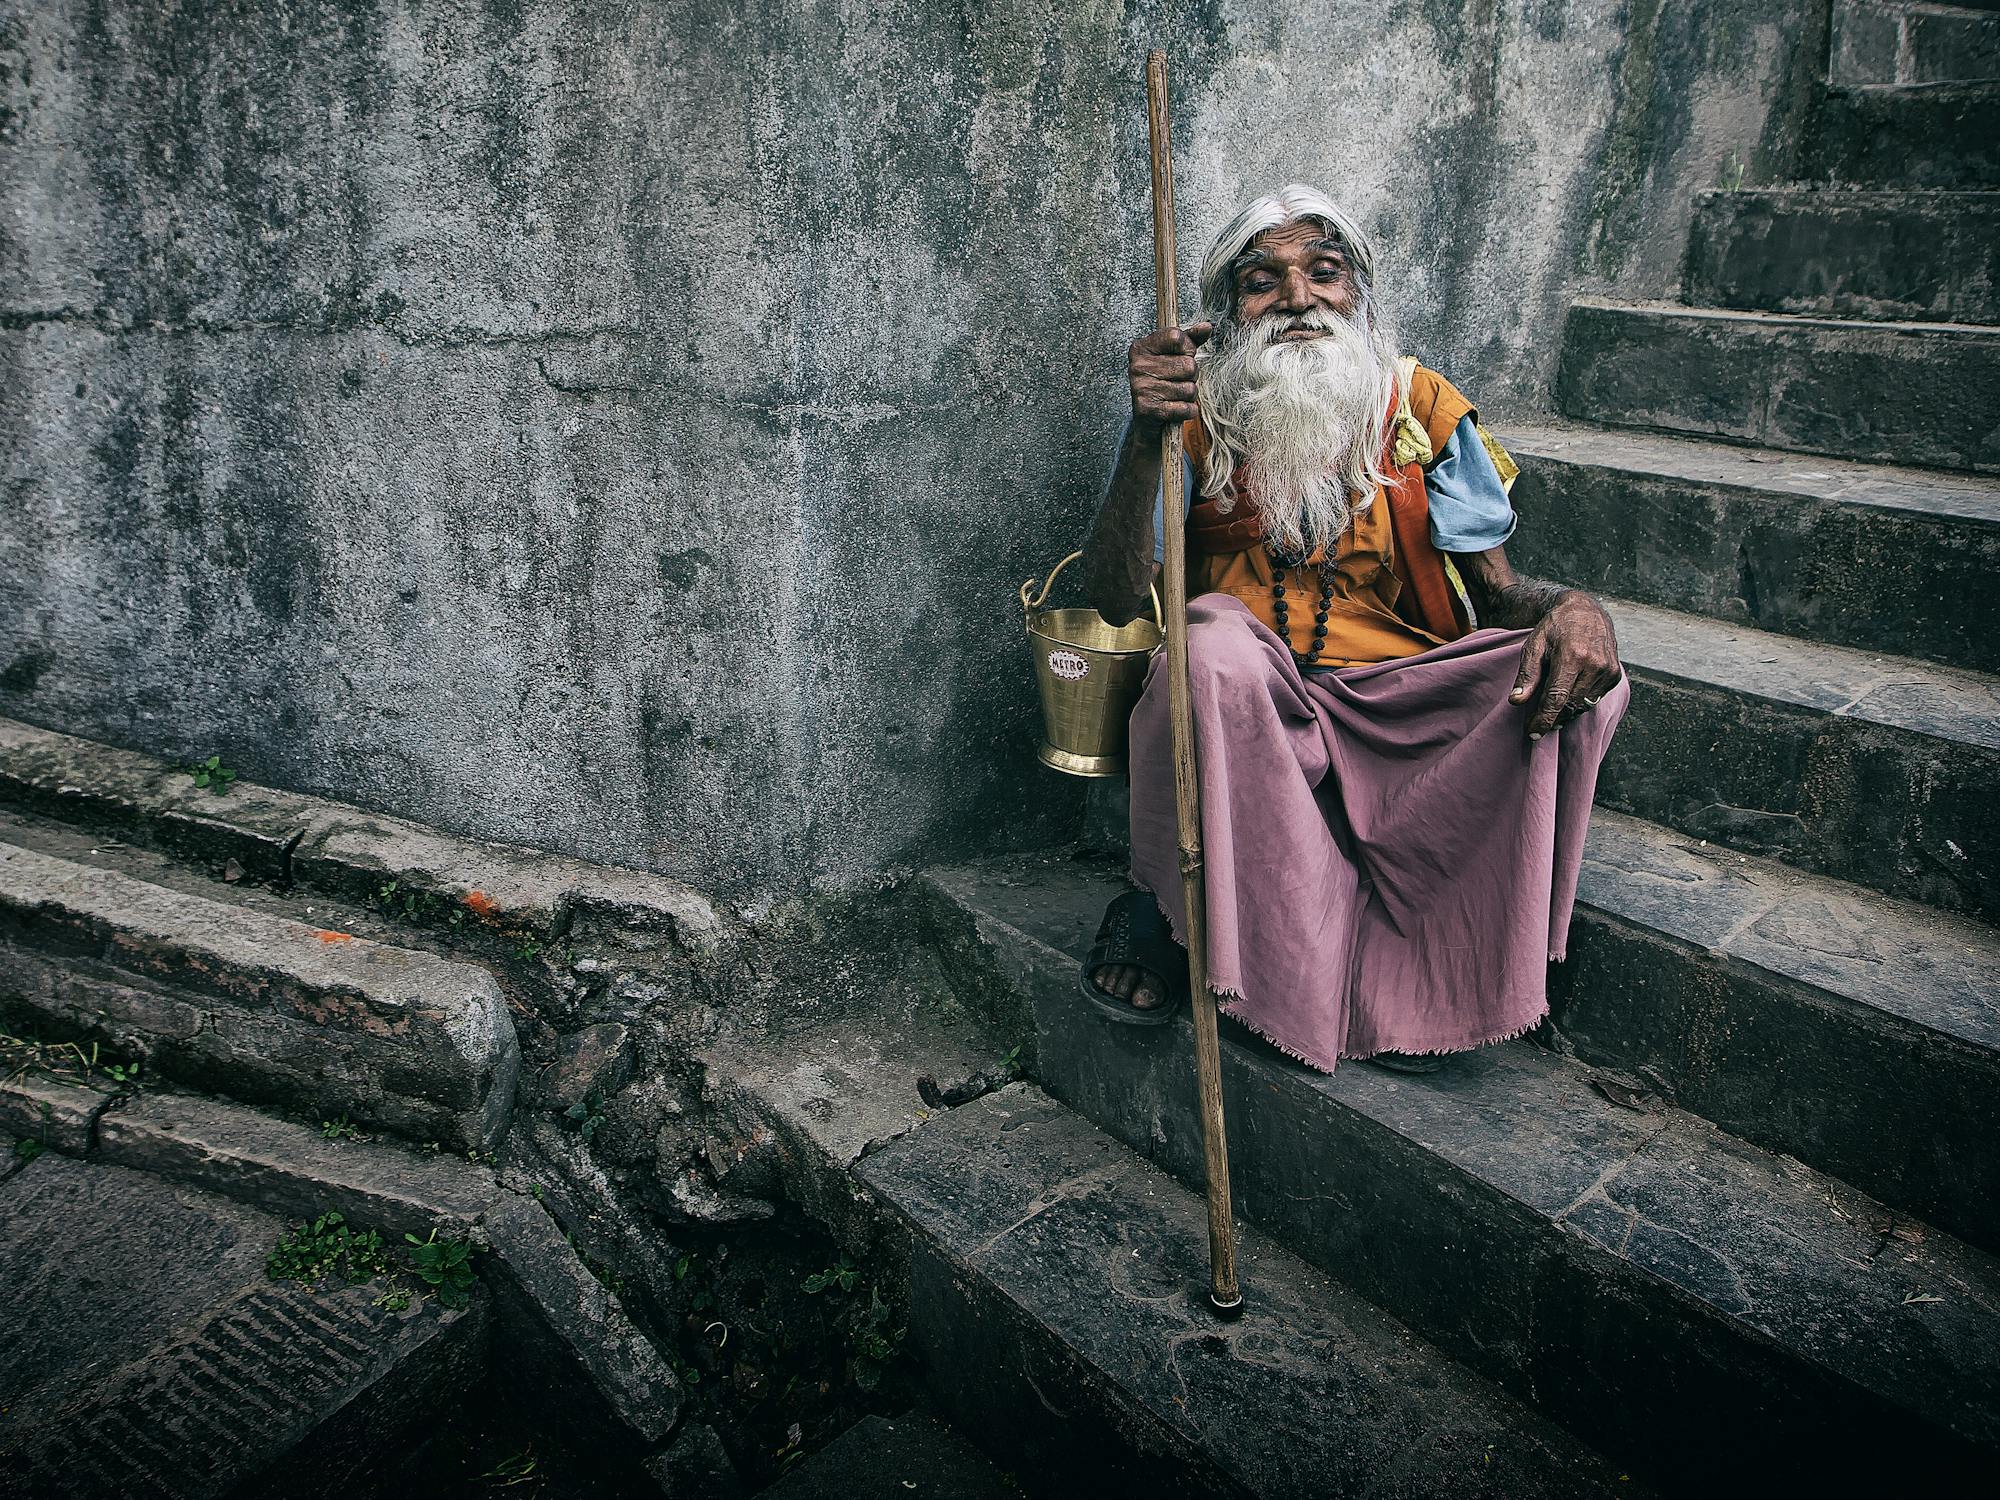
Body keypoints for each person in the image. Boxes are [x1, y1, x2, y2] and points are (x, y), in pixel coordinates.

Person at [1078, 185, 1628, 1074]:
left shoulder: (1420, 408)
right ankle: (1165, 906)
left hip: (1393, 713)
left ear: (1358, 294)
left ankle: (1426, 975)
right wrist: (1145, 435)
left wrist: (1575, 610)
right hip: (1247, 716)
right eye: (1264, 282)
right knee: (1210, 644)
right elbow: (1111, 602)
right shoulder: (1192, 415)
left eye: (1323, 274)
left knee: (1577, 672)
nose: (1298, 300)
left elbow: (1501, 597)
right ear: (1231, 313)